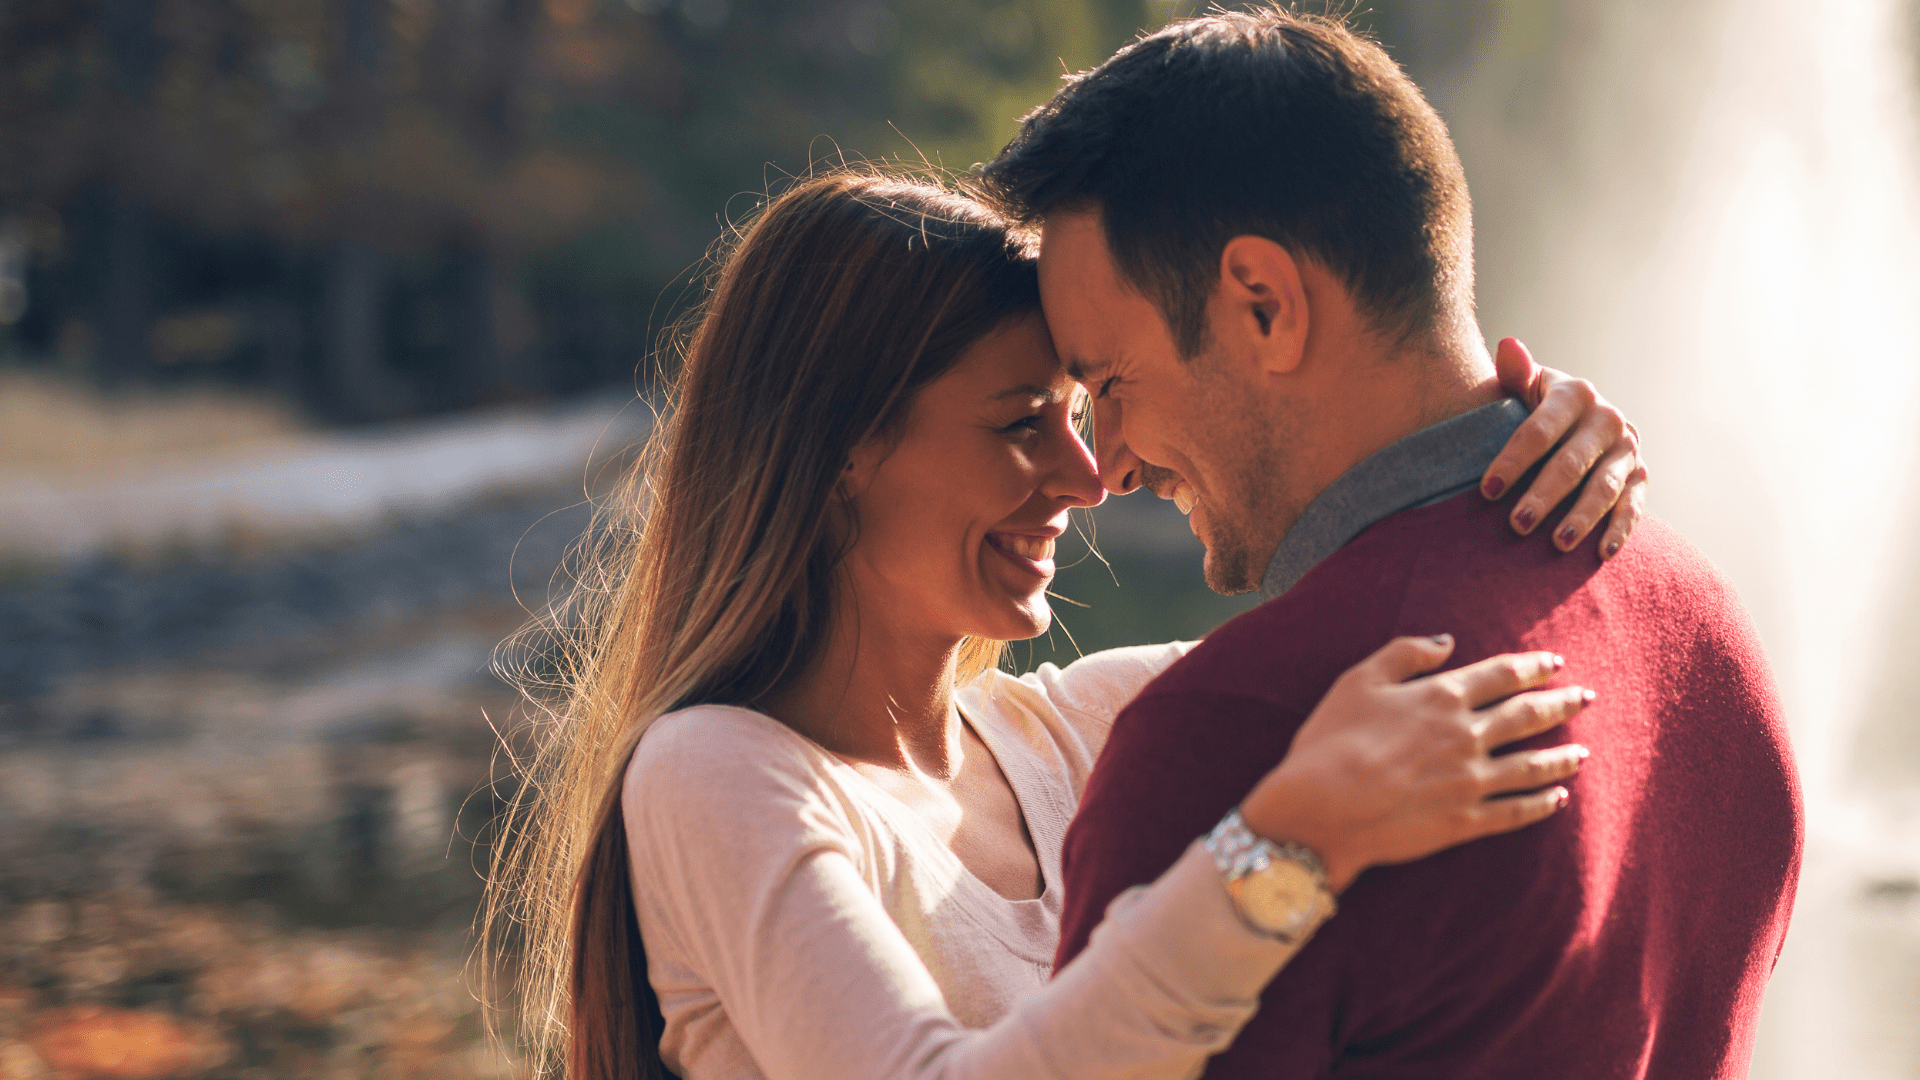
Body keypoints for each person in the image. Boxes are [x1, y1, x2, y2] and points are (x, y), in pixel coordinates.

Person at [480, 170, 1647, 1080]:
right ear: (841, 452)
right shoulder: (717, 775)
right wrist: (1285, 848)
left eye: (1083, 414)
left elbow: (1395, 614)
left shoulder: (1097, 724)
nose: (1088, 475)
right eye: (1019, 425)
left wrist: (1528, 443)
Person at [977, 9, 1802, 1080]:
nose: (1112, 466)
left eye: (1110, 386)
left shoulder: (1241, 742)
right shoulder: (1709, 631)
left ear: (1263, 306)